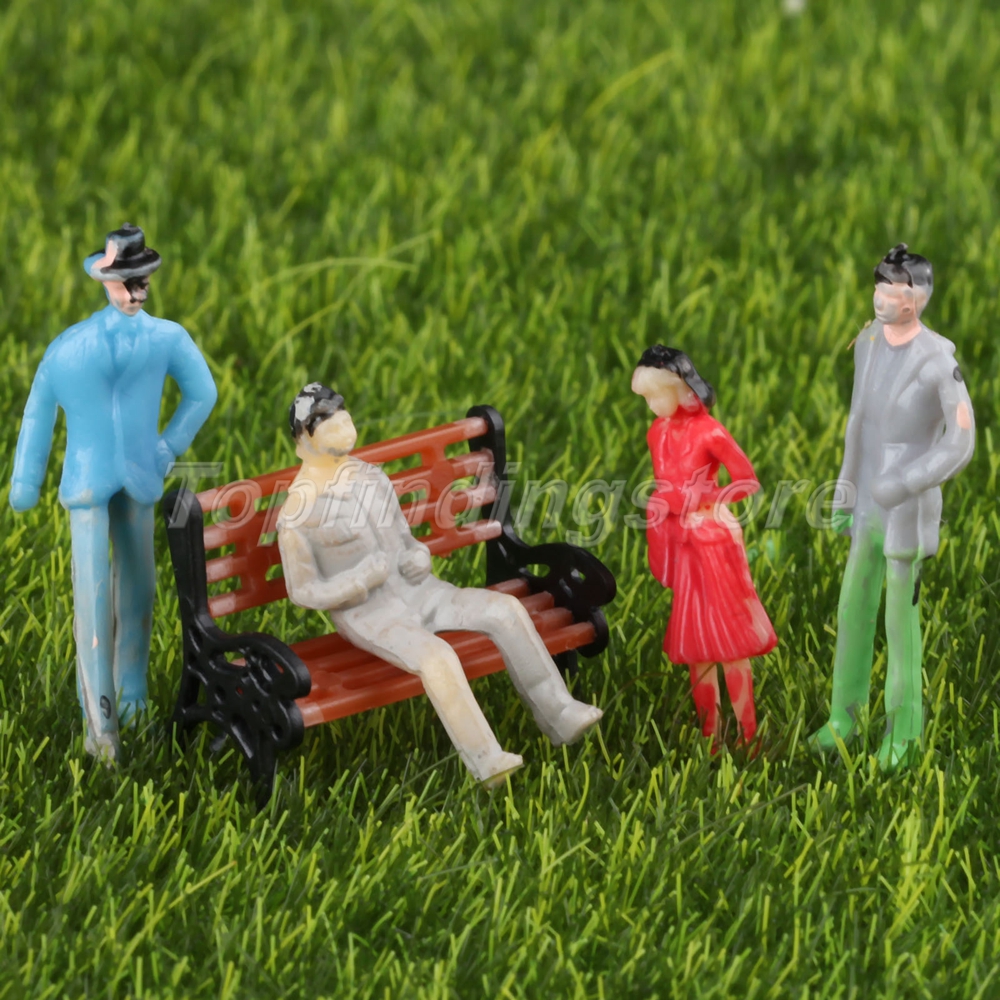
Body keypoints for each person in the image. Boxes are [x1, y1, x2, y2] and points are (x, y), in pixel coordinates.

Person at [276, 383, 603, 786]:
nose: (346, 429)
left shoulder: (370, 478)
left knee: (505, 610)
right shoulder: (299, 511)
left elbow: (404, 538)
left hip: (422, 591)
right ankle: (486, 759)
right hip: (370, 614)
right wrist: (356, 582)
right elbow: (303, 590)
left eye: (346, 420)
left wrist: (418, 555)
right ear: (305, 439)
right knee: (437, 657)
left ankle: (560, 712)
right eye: (332, 424)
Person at [10, 223, 218, 763]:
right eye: (128, 282)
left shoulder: (167, 338)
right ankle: (98, 718)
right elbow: (38, 412)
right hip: (87, 483)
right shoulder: (69, 348)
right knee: (92, 595)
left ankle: (134, 697)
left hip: (142, 476)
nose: (137, 292)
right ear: (105, 281)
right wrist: (26, 480)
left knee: (140, 589)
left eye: (143, 281)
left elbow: (203, 392)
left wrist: (169, 447)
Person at [810, 245, 975, 770]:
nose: (882, 299)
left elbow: (961, 441)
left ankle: (903, 733)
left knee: (900, 624)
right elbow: (857, 422)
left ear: (918, 298)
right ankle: (845, 717)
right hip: (865, 503)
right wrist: (846, 487)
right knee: (852, 608)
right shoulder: (868, 342)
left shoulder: (938, 361)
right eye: (879, 288)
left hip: (905, 507)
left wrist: (907, 481)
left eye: (895, 291)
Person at [633, 346, 776, 748]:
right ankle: (710, 731)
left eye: (656, 395)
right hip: (680, 539)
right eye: (646, 398)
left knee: (729, 637)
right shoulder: (657, 433)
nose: (651, 405)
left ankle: (748, 731)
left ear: (681, 390)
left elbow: (746, 480)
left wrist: (705, 497)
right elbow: (664, 484)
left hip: (713, 538)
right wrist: (666, 508)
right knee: (696, 642)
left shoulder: (710, 432)